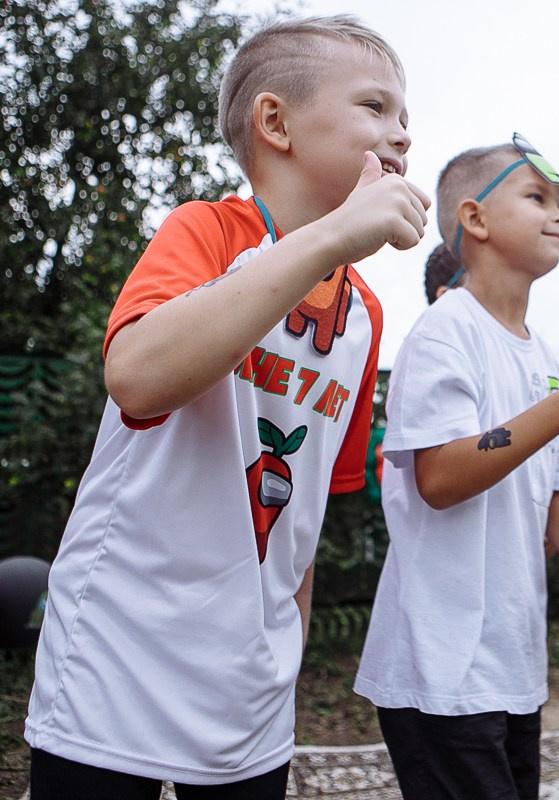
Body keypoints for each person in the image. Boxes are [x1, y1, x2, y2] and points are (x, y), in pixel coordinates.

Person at [23, 15, 430, 799]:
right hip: (119, 656)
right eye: (375, 108)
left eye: (407, 117)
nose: (402, 135)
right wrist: (327, 238)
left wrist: (290, 647)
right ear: (274, 121)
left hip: (250, 679)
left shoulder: (365, 313)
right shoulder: (206, 231)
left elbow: (306, 521)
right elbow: (137, 378)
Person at [354, 133, 559, 800]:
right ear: (474, 219)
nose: (558, 213)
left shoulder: (549, 362)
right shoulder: (445, 332)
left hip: (513, 659)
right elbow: (439, 479)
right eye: (537, 196)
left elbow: (558, 495)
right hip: (440, 665)